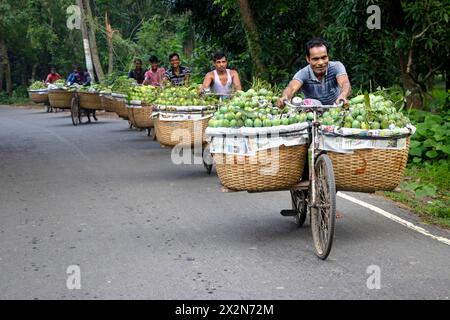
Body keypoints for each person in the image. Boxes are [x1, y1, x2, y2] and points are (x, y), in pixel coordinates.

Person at [277, 37, 351, 108]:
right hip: (313, 112)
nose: (321, 62)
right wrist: (285, 97)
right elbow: (291, 87)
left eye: (324, 57)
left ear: (328, 56)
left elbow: (344, 82)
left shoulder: (336, 66)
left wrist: (343, 95)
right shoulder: (303, 73)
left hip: (336, 109)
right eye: (315, 59)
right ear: (308, 59)